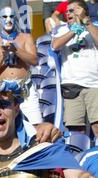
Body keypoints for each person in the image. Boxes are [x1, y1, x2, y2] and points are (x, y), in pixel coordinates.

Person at [0, 6, 42, 126]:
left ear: (16, 18)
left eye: (11, 16)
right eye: (5, 17)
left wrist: (16, 50)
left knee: (35, 125)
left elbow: (34, 60)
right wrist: (3, 54)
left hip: (25, 88)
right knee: (9, 127)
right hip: (5, 90)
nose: (8, 20)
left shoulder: (25, 38)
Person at [52, 0, 98, 137]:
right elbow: (55, 45)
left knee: (97, 127)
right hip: (71, 84)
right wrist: (73, 30)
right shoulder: (61, 29)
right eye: (67, 10)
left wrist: (86, 22)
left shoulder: (94, 26)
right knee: (75, 131)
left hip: (94, 84)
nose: (67, 12)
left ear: (84, 11)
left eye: (73, 10)